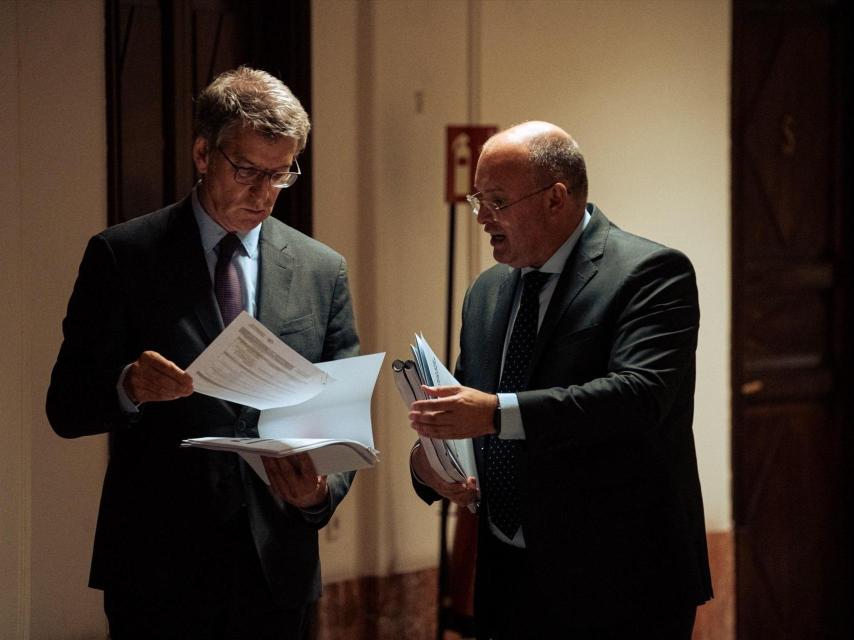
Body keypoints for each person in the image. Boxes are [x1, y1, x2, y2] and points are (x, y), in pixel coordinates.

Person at [46, 67, 359, 639]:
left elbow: (340, 416)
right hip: (156, 567)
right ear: (201, 153)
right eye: (246, 171)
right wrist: (129, 386)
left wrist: (319, 493)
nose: (263, 194)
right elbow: (65, 407)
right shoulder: (123, 255)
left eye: (280, 174)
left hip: (277, 569)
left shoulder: (322, 269)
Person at [409, 121, 713, 639]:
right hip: (509, 579)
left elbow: (637, 396)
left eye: (498, 201)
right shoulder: (486, 292)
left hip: (620, 582)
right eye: (477, 198)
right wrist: (428, 465)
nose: (483, 218)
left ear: (556, 198)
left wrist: (495, 414)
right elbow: (468, 406)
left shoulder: (650, 273)